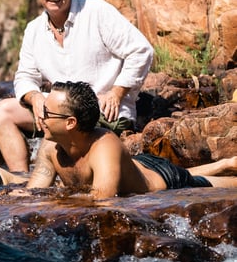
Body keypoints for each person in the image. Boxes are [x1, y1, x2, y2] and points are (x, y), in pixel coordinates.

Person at [0, 0, 154, 172]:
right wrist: (35, 97)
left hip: (102, 112)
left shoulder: (96, 11)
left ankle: (45, 183)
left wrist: (117, 93)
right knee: (3, 112)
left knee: (56, 134)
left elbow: (142, 50)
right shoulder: (33, 29)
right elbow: (25, 76)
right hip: (59, 113)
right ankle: (21, 180)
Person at [27, 81, 237, 199]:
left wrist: (57, 201)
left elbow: (102, 199)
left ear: (70, 123)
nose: (40, 116)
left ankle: (227, 167)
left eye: (46, 112)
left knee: (203, 184)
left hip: (165, 179)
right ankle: (224, 164)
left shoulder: (104, 144)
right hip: (138, 165)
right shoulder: (50, 147)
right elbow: (33, 194)